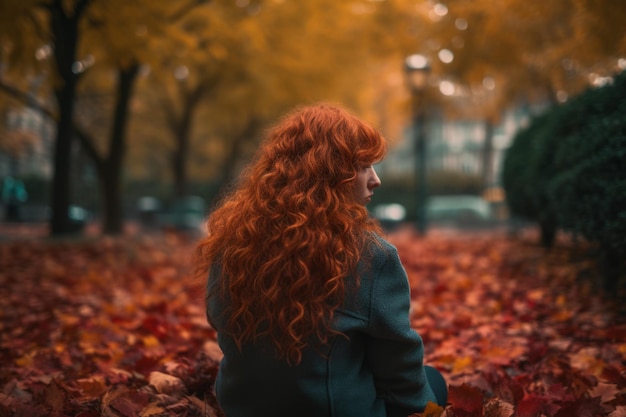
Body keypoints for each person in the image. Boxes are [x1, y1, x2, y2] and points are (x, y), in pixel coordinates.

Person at [194, 103, 447, 417]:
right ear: (329, 173)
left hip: (242, 408)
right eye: (363, 165)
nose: (375, 179)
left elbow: (221, 326)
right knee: (435, 381)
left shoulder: (231, 243)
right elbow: (398, 364)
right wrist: (422, 409)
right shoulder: (370, 255)